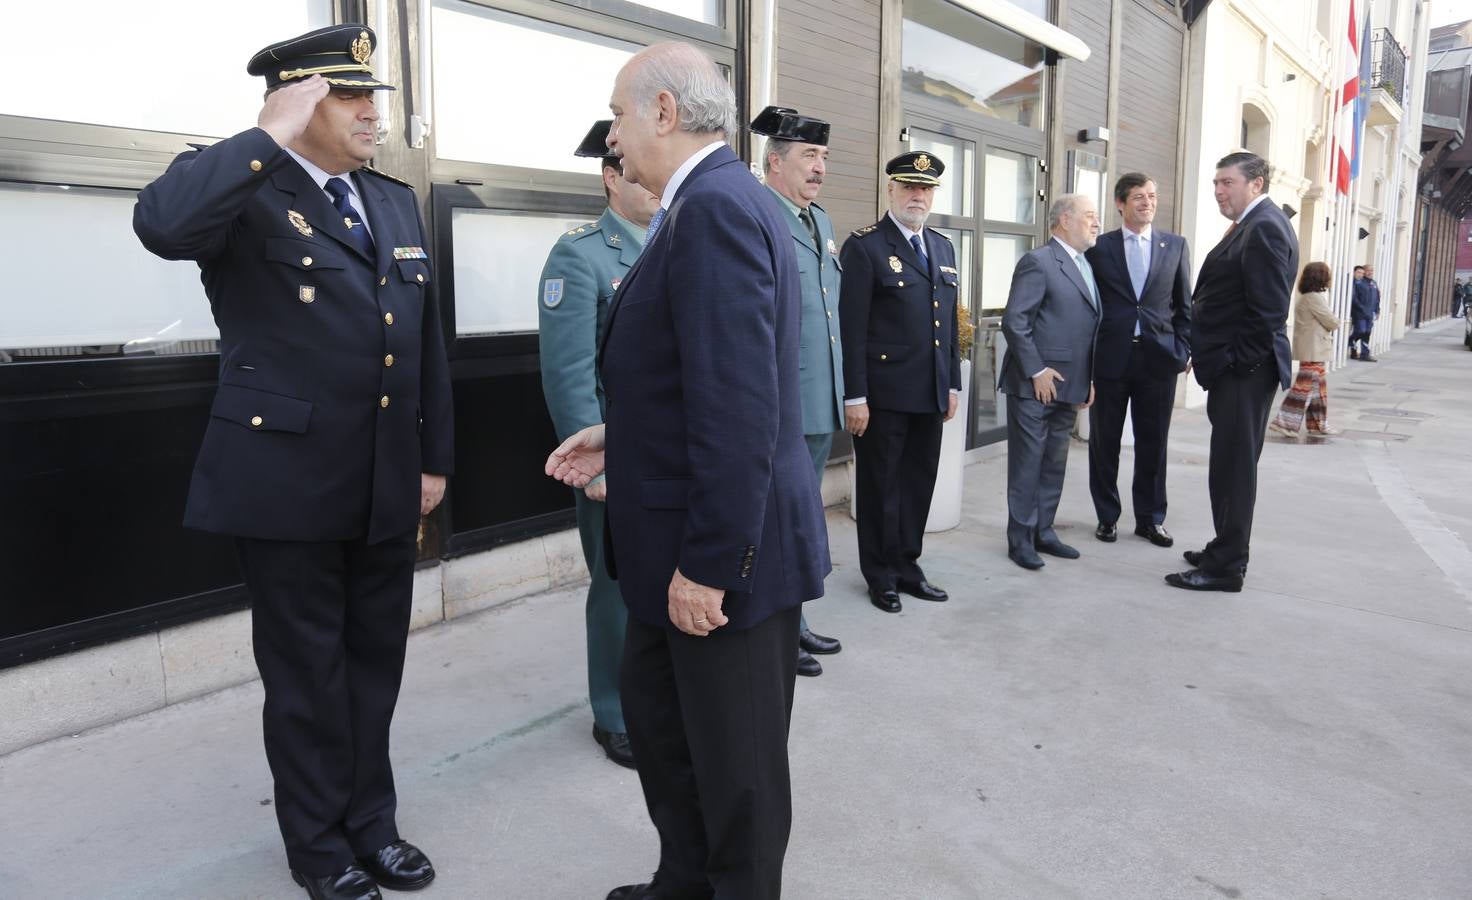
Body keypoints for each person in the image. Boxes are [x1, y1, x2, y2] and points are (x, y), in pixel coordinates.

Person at [133, 25, 451, 900]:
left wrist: (435, 460)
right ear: (295, 99)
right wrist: (264, 135)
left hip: (386, 476)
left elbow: (424, 345)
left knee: (374, 663)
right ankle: (317, 846)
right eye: (346, 95)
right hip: (284, 484)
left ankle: (372, 826)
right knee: (307, 676)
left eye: (372, 96)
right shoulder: (244, 188)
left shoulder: (388, 200)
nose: (369, 112)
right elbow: (160, 225)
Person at [545, 42, 830, 900]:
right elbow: (694, 381)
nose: (616, 137)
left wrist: (709, 565)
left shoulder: (712, 208)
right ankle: (684, 883)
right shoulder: (703, 203)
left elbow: (742, 411)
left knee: (736, 773)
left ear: (665, 113)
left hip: (717, 559)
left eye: (621, 115)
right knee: (671, 740)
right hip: (676, 539)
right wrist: (618, 439)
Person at [537, 120, 660, 769]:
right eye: (636, 171)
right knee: (615, 587)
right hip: (612, 456)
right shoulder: (580, 255)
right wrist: (593, 469)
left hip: (667, 453)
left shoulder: (673, 241)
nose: (651, 181)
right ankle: (613, 711)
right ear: (611, 177)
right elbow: (567, 371)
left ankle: (655, 695)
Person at [1166, 151, 1297, 593]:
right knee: (1227, 468)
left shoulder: (1264, 229)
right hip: (1239, 372)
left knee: (1235, 470)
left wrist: (1229, 364)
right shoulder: (1254, 225)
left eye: (1227, 182)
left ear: (1256, 184)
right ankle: (1224, 547)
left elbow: (1268, 314)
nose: (1219, 191)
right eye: (1216, 183)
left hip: (1245, 373)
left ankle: (1226, 567)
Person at [838, 151, 962, 613]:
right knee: (880, 488)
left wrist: (951, 386)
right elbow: (851, 330)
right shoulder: (866, 246)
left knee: (917, 486)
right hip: (882, 397)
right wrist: (855, 395)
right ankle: (881, 575)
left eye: (925, 189)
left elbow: (948, 327)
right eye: (909, 186)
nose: (918, 196)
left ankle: (909, 566)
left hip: (929, 394)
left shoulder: (943, 247)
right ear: (890, 189)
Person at [752, 105, 844, 677]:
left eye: (824, 158)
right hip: (781, 404)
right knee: (776, 522)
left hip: (817, 399)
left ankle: (795, 624)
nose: (820, 168)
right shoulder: (760, 216)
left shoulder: (820, 222)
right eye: (809, 156)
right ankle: (778, 635)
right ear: (773, 161)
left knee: (801, 519)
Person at [1084, 173, 1192, 550]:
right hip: (1110, 360)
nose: (1147, 202)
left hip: (1158, 361)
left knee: (1153, 444)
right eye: (1138, 197)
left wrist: (1183, 349)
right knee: (1104, 442)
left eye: (1152, 195)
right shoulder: (1099, 248)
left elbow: (1184, 305)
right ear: (1120, 203)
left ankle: (1150, 519)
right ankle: (1107, 517)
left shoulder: (1175, 245)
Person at [998, 194, 1102, 570]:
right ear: (1062, 221)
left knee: (1054, 462)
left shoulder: (1084, 264)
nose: (1096, 222)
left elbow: (1086, 328)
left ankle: (1044, 531)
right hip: (1033, 385)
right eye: (1089, 216)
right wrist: (1036, 370)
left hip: (1069, 384)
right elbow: (1015, 320)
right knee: (1028, 465)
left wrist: (1089, 379)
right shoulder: (1038, 262)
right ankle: (1020, 539)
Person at [1268, 262, 1341, 440]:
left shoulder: (1307, 297)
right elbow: (1331, 321)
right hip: (1313, 349)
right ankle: (1285, 423)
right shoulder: (1313, 298)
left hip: (1312, 348)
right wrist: (1337, 321)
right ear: (1320, 278)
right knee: (1304, 388)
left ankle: (1318, 424)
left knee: (1317, 389)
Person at [1349, 263, 1381, 361]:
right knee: (1361, 331)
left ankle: (1364, 354)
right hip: (1360, 313)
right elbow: (1354, 298)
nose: (1370, 272)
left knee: (1367, 333)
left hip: (1370, 314)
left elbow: (1377, 298)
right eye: (1368, 270)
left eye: (1372, 270)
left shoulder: (1374, 283)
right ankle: (1350, 341)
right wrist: (1362, 308)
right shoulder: (1358, 283)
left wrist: (1377, 310)